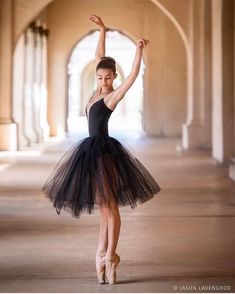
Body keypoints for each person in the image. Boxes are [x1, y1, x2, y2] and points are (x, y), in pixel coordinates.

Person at [42, 14, 161, 285]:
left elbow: (131, 77)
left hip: (104, 153)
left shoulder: (111, 96)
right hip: (89, 153)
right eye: (100, 76)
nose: (104, 80)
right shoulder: (95, 92)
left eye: (108, 77)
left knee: (110, 207)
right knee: (103, 207)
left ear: (113, 77)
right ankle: (102, 253)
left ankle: (110, 255)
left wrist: (138, 50)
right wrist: (102, 30)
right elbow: (100, 56)